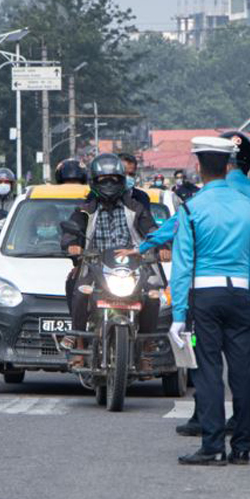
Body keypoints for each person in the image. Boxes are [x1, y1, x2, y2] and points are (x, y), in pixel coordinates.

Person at [174, 131, 250, 438]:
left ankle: (213, 444)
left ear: (200, 166)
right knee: (242, 370)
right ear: (229, 165)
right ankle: (243, 444)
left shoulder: (192, 208)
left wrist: (179, 314)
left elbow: (182, 267)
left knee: (208, 370)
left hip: (205, 296)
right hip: (242, 295)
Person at [60, 153, 159, 357]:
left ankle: (147, 343)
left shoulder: (136, 208)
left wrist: (163, 245)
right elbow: (72, 230)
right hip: (96, 265)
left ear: (122, 181)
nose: (109, 184)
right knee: (79, 288)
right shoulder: (85, 210)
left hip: (132, 267)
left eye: (114, 179)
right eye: (103, 180)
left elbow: (151, 229)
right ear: (94, 182)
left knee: (153, 293)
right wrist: (72, 245)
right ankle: (78, 341)